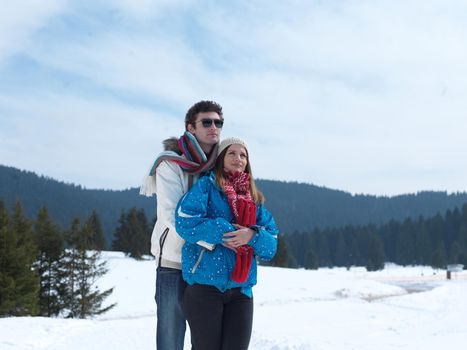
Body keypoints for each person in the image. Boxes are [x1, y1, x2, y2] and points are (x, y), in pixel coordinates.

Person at [175, 137, 278, 350]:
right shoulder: (207, 187)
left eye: (243, 155)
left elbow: (272, 245)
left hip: (241, 291)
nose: (238, 158)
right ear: (221, 158)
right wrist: (226, 232)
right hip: (204, 287)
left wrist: (252, 236)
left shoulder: (253, 199)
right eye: (231, 153)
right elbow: (185, 221)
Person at [140, 100, 224, 350]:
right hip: (174, 264)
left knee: (206, 342)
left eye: (218, 122)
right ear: (191, 127)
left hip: (206, 267)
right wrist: (213, 240)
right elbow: (172, 215)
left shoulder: (221, 164)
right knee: (170, 340)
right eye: (206, 122)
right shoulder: (171, 163)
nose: (214, 127)